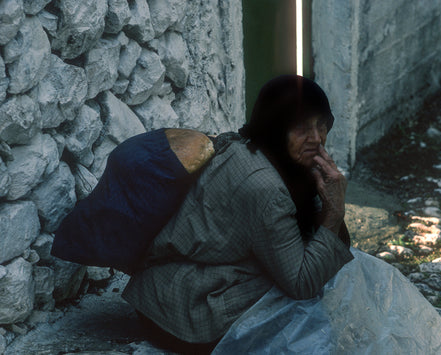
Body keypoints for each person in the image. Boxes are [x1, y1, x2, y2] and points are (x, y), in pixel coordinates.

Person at [122, 75, 354, 353]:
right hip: (185, 310)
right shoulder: (264, 185)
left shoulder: (258, 148)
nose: (316, 139)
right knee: (301, 294)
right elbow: (301, 284)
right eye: (301, 127)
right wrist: (334, 211)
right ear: (275, 127)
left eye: (321, 125)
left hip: (173, 290)